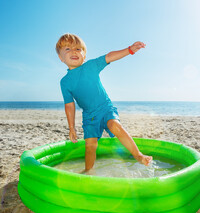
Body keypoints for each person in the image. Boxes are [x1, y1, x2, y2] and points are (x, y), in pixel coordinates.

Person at [55, 33, 152, 173]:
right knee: (90, 145)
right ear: (61, 57)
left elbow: (110, 56)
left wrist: (130, 50)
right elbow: (69, 105)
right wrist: (71, 127)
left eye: (78, 49)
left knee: (114, 125)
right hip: (89, 116)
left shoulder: (91, 66)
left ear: (84, 55)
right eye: (68, 49)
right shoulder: (64, 82)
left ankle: (138, 155)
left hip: (106, 108)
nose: (74, 52)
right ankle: (88, 171)